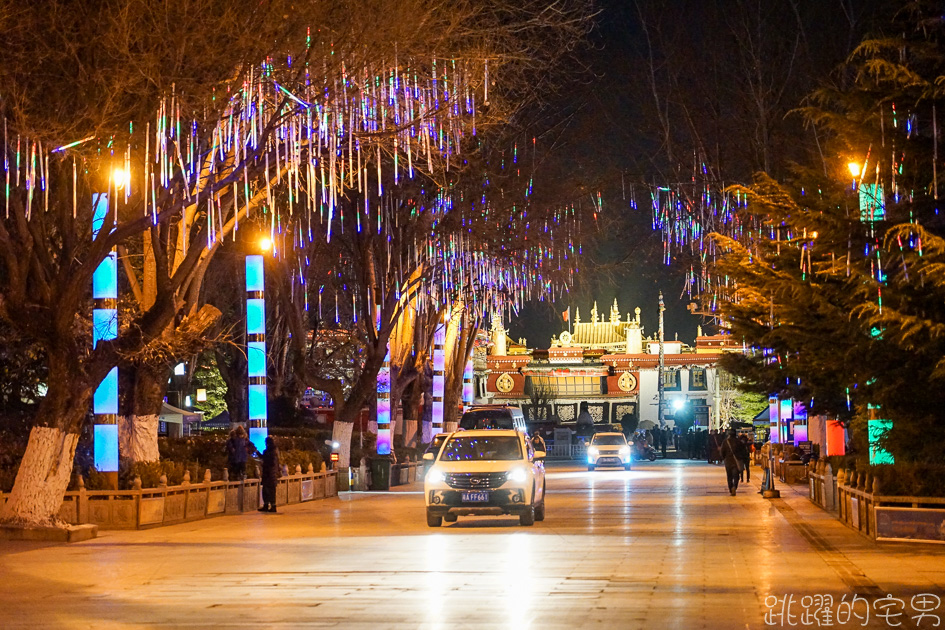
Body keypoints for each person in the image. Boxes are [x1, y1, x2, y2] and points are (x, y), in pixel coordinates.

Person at [259, 436, 281, 513]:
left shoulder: (271, 452)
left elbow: (270, 462)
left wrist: (264, 463)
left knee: (270, 490)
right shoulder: (273, 451)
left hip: (270, 473)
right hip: (270, 473)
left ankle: (272, 506)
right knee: (266, 490)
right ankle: (268, 505)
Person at [719, 428, 742, 496]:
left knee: (729, 476)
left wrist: (723, 458)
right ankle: (734, 486)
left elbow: (722, 452)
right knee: (736, 476)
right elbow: (743, 451)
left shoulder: (725, 442)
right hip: (736, 461)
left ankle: (731, 488)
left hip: (728, 461)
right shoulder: (738, 442)